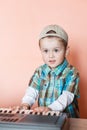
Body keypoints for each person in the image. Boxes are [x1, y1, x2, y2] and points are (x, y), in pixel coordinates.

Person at [20, 25, 80, 118]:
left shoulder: (72, 72)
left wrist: (50, 109)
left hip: (68, 119)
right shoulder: (40, 71)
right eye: (46, 51)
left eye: (56, 50)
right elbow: (32, 91)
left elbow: (67, 97)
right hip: (45, 118)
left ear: (66, 51)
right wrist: (25, 104)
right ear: (41, 51)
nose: (50, 55)